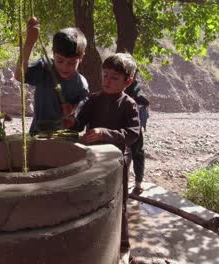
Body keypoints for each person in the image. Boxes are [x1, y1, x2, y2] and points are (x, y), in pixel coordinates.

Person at [63, 53, 140, 263]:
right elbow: (79, 124)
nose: (107, 81)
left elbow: (132, 134)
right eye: (105, 75)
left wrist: (105, 133)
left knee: (118, 201)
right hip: (93, 159)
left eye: (114, 78)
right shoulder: (94, 99)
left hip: (118, 161)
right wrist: (71, 121)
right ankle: (95, 240)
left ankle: (122, 246)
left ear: (128, 81)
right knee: (93, 199)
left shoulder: (129, 104)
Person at [14, 17, 89, 135]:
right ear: (53, 53)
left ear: (81, 58)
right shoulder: (44, 67)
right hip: (38, 135)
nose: (65, 67)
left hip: (64, 138)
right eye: (60, 61)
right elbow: (19, 76)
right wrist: (29, 42)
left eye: (71, 63)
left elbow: (80, 108)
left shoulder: (81, 85)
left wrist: (72, 110)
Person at [125, 79, 149, 195]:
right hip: (134, 128)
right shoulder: (133, 87)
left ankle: (125, 184)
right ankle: (138, 184)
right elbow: (144, 101)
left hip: (122, 128)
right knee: (137, 153)